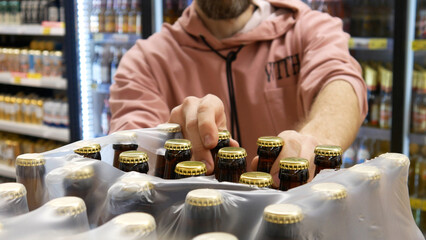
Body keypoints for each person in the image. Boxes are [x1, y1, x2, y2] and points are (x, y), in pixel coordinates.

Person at [109, 0, 367, 185]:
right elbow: (127, 145)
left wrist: (312, 140)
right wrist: (168, 137)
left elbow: (340, 82)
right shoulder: (145, 60)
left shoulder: (308, 29)